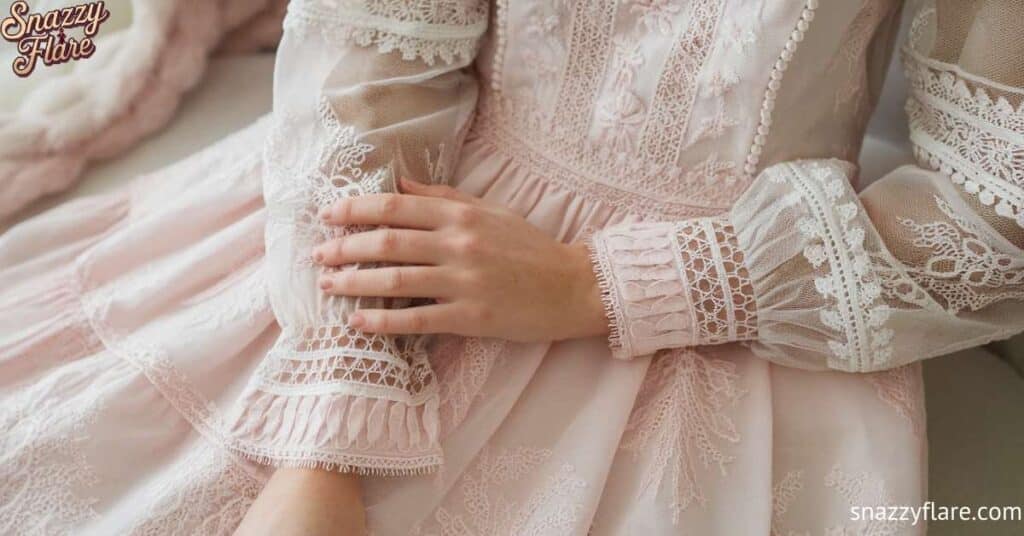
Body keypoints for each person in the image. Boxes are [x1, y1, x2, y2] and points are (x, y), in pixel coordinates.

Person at [2, 0, 1022, 534]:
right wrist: (328, 437)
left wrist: (610, 284)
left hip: (747, 311)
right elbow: (374, 52)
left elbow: (997, 206)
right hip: (396, 204)